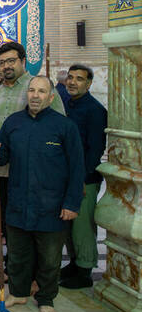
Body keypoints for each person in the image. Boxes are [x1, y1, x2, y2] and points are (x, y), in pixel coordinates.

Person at [0, 75, 85, 312]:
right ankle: (18, 293)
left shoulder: (64, 127)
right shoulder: (13, 122)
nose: (35, 95)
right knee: (18, 254)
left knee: (49, 259)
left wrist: (72, 203)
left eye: (41, 91)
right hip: (19, 201)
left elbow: (77, 169)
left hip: (51, 205)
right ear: (26, 94)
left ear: (51, 97)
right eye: (32, 90)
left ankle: (46, 298)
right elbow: (3, 156)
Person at [0, 42, 66, 280]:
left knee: (37, 227)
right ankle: (15, 273)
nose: (6, 66)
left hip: (36, 174)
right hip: (6, 172)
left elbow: (59, 129)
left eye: (11, 61)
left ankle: (36, 279)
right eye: (2, 63)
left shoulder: (38, 86)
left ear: (23, 61)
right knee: (12, 227)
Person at [60, 64, 107, 289]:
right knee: (69, 224)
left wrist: (82, 179)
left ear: (89, 84)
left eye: (79, 79)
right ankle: (75, 262)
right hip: (66, 176)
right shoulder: (66, 104)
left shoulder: (95, 110)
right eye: (70, 77)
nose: (72, 82)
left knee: (82, 226)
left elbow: (95, 149)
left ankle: (85, 270)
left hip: (85, 179)